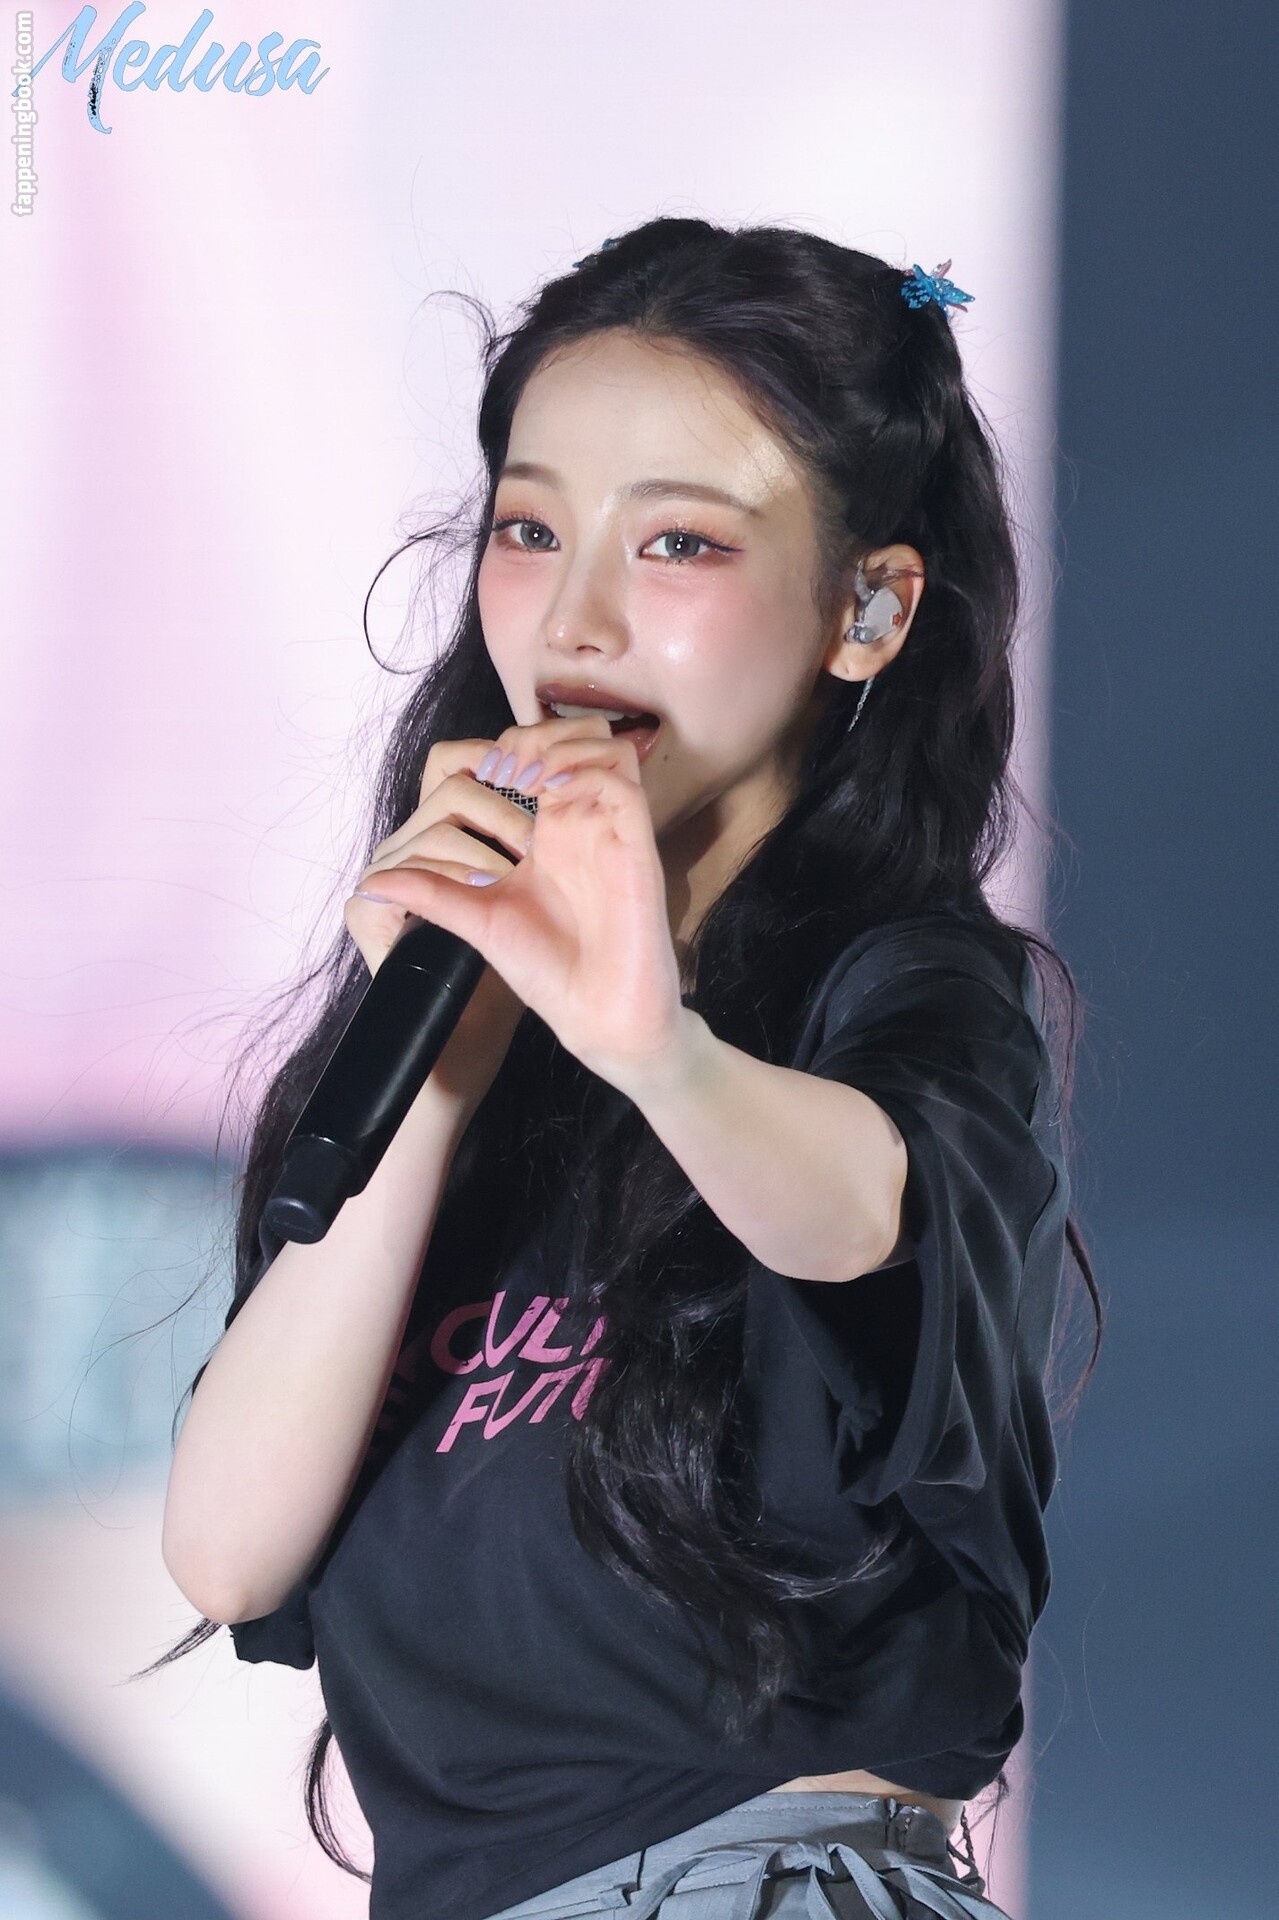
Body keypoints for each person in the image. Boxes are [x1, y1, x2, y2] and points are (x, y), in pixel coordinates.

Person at [150, 218, 1101, 1920]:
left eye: (678, 543)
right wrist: (438, 1070)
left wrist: (654, 1048)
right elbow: (229, 1551)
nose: (575, 620)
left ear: (870, 606)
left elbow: (861, 1209)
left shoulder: (904, 987)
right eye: (529, 529)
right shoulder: (458, 1038)